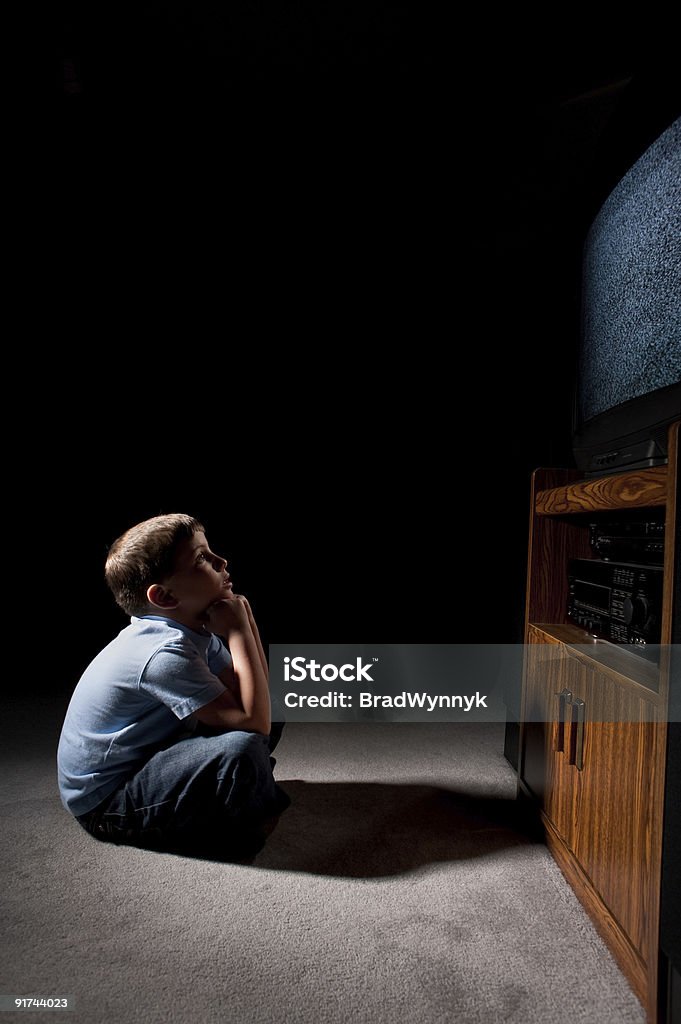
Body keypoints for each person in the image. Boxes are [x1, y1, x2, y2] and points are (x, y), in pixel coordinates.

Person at [57, 513, 288, 860]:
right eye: (201, 559)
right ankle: (225, 813)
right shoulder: (163, 653)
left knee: (269, 709)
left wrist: (246, 616)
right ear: (164, 597)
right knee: (242, 748)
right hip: (107, 800)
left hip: (154, 752)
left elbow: (260, 706)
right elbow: (253, 724)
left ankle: (240, 789)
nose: (221, 561)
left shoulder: (192, 633)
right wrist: (239, 631)